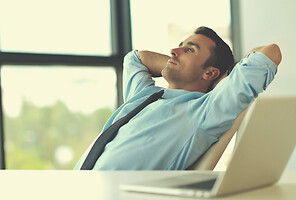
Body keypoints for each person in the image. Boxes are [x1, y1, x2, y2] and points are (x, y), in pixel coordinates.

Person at [74, 26, 281, 170]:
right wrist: (178, 65)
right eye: (180, 46)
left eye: (189, 50)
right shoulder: (144, 94)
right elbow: (135, 59)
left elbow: (270, 53)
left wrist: (221, 82)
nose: (174, 51)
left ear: (210, 73)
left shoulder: (205, 111)